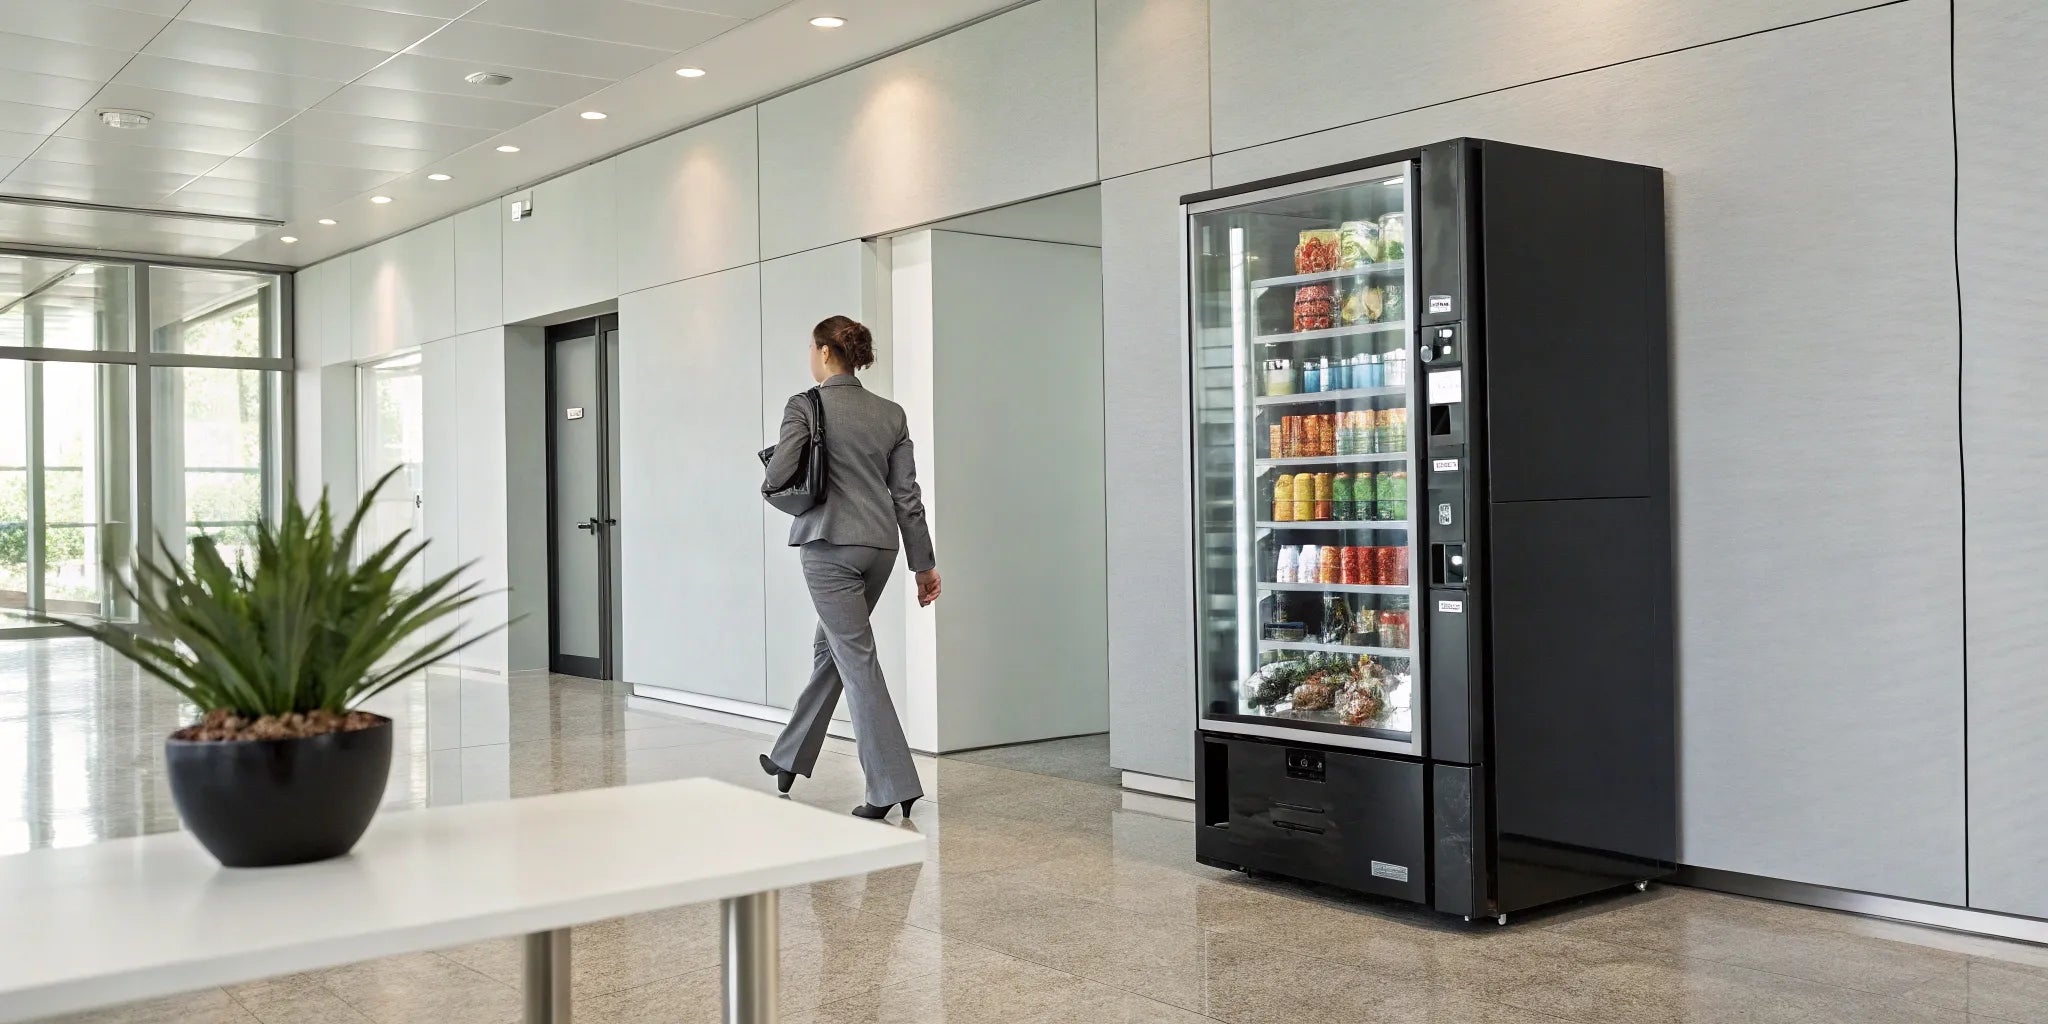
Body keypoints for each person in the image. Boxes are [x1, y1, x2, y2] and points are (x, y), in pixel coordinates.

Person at [759, 315, 940, 821]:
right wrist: (923, 564)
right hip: (881, 547)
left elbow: (778, 475)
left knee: (855, 658)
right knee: (832, 650)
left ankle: (890, 785)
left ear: (822, 352)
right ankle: (788, 756)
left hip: (828, 543)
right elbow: (907, 497)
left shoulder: (805, 404)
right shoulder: (891, 413)